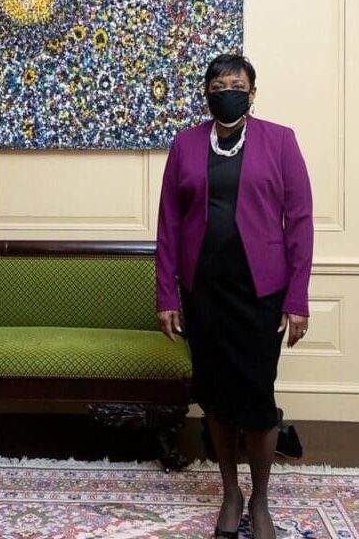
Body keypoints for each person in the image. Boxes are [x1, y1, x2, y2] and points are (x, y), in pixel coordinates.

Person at [156, 54, 313, 539]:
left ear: (252, 92)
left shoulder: (280, 141)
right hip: (204, 292)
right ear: (206, 93)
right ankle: (231, 493)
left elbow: (301, 222)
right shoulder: (185, 145)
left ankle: (261, 500)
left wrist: (297, 299)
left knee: (258, 401)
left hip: (261, 293)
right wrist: (168, 295)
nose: (229, 91)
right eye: (220, 84)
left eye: (238, 84)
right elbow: (169, 224)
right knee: (217, 400)